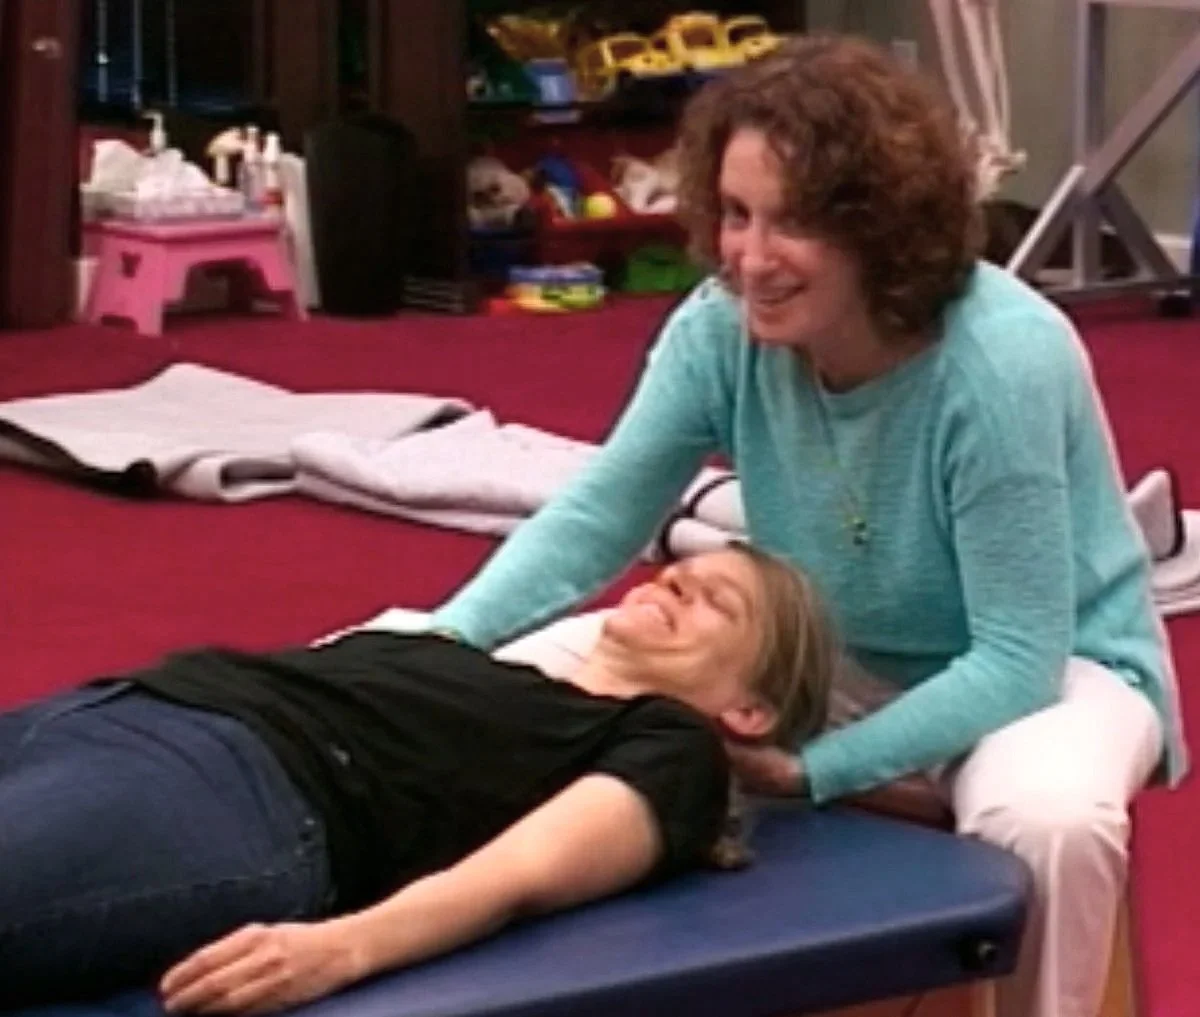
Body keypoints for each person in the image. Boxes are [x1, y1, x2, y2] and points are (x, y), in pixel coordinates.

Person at [428, 34, 1188, 1017]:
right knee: (531, 681)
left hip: (1053, 671)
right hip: (824, 657)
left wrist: (812, 771)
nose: (749, 259)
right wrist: (442, 644)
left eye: (792, 224)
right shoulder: (716, 327)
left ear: (883, 231)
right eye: (736, 215)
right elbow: (598, 514)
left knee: (1051, 822)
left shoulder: (1004, 358)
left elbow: (1016, 656)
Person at [0, 546, 833, 1013]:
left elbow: (524, 875)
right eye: (678, 574)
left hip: (236, 788)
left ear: (751, 708)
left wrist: (342, 947)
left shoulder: (666, 744)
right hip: (117, 706)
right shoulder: (476, 658)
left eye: (716, 601)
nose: (676, 581)